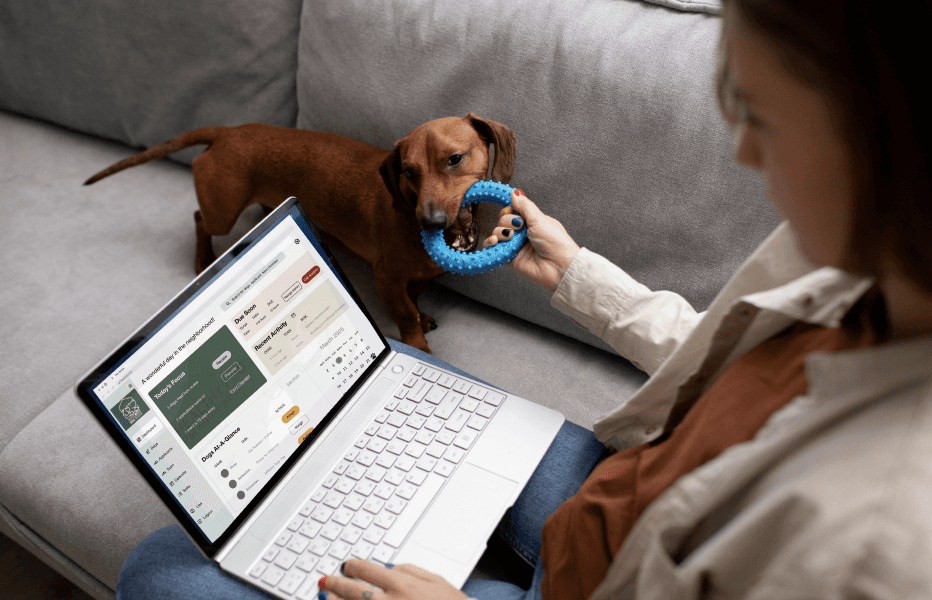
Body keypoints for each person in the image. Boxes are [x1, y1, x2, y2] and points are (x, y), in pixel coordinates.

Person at [117, 0, 932, 598]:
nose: (744, 152)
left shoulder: (875, 546)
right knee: (382, 367)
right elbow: (733, 357)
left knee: (157, 568)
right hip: (614, 484)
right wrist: (577, 275)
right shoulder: (853, 246)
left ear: (884, 130)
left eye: (757, 113)